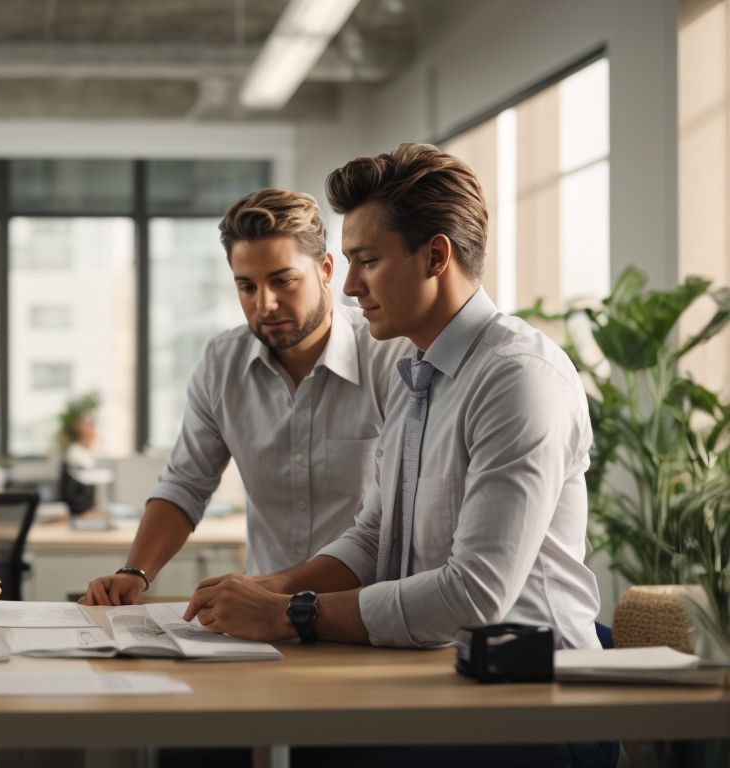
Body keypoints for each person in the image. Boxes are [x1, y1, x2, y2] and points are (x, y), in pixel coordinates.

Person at [184, 144, 612, 768]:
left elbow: (473, 595)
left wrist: (291, 614)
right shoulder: (417, 369)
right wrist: (262, 589)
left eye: (367, 262)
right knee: (266, 739)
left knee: (315, 747)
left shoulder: (518, 378)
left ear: (436, 255)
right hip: (446, 676)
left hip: (533, 700)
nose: (350, 286)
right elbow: (373, 535)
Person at [81, 189, 410, 606]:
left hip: (363, 613)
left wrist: (276, 592)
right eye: (246, 286)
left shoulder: (391, 357)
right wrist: (136, 572)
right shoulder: (222, 363)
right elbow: (186, 483)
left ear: (326, 270)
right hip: (258, 615)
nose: (265, 304)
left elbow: (395, 520)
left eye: (282, 281)